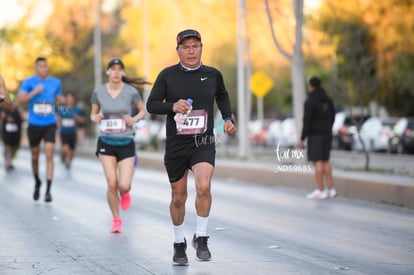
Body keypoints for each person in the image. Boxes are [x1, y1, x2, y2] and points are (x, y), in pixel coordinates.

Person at [146, 29, 237, 266]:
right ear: (178, 50)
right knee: (179, 197)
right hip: (177, 145)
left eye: (195, 46)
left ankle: (202, 237)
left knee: (204, 186)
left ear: (201, 48)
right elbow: (152, 104)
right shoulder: (167, 76)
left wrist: (228, 118)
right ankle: (179, 243)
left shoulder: (213, 74)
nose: (191, 51)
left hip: (203, 142)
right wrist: (173, 106)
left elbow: (223, 96)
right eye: (186, 47)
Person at [90, 57, 147, 233]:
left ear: (122, 72)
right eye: (113, 69)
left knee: (123, 185)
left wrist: (134, 119)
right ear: (108, 72)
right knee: (112, 183)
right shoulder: (99, 92)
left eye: (119, 69)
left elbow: (143, 110)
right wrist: (96, 117)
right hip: (106, 141)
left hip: (126, 141)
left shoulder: (130, 92)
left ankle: (126, 192)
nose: (116, 72)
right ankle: (116, 219)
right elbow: (93, 114)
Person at [16, 57, 65, 202]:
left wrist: (61, 105)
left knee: (49, 154)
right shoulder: (29, 82)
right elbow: (19, 100)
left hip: (50, 123)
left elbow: (59, 98)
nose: (43, 68)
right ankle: (37, 181)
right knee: (35, 156)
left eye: (45, 66)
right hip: (34, 123)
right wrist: (34, 92)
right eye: (40, 66)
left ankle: (48, 191)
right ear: (36, 68)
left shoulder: (55, 82)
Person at [296, 76, 337, 200]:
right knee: (325, 160)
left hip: (315, 135)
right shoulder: (329, 99)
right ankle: (331, 190)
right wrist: (328, 128)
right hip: (327, 134)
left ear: (311, 86)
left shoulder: (310, 101)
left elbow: (306, 121)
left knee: (318, 162)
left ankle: (320, 190)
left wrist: (302, 138)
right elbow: (333, 116)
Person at [57, 91, 85, 170]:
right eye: (68, 98)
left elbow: (83, 120)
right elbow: (58, 119)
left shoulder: (77, 109)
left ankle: (69, 161)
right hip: (63, 132)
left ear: (74, 99)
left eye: (71, 98)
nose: (69, 99)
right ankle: (63, 156)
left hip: (73, 133)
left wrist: (78, 118)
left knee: (72, 151)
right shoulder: (62, 109)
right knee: (65, 148)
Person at [1, 92, 25, 172]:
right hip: (6, 131)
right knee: (7, 146)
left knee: (15, 147)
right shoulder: (2, 109)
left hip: (16, 132)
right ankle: (7, 162)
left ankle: (11, 161)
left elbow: (24, 119)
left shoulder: (17, 109)